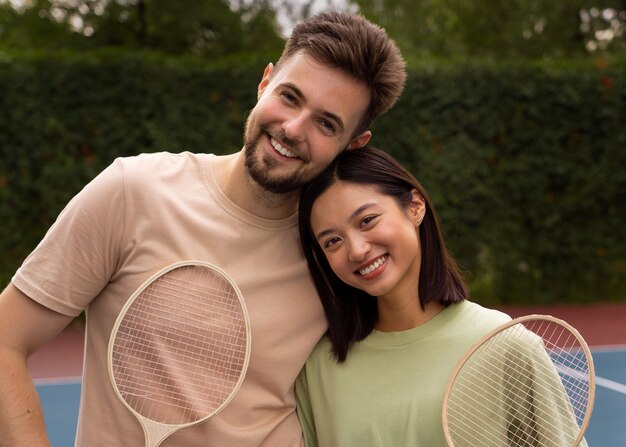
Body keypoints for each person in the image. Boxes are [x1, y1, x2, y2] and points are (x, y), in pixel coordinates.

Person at [0, 11, 406, 446]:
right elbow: (6, 341)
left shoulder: (337, 253)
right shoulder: (133, 192)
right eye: (290, 97)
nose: (292, 128)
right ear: (265, 81)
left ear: (354, 145)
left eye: (327, 124)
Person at [295, 147, 586, 446]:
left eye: (367, 220)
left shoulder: (505, 345)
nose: (356, 250)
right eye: (332, 241)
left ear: (415, 207)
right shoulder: (318, 367)